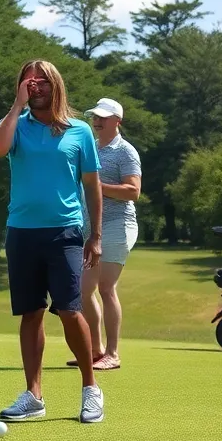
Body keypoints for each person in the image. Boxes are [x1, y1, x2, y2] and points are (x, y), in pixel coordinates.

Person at [0, 60, 106, 424]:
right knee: (31, 313)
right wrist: (16, 107)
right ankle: (33, 395)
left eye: (42, 82)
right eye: (28, 81)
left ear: (56, 86)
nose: (35, 86)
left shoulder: (80, 131)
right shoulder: (15, 126)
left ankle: (90, 388)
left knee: (70, 309)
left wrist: (96, 236)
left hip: (65, 232)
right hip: (22, 232)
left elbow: (92, 185)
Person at [70, 98, 141, 371]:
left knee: (106, 288)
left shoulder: (125, 151)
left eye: (102, 117)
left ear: (117, 121)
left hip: (117, 225)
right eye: (95, 117)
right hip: (90, 229)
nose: (96, 122)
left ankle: (113, 353)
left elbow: (133, 191)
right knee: (83, 291)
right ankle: (96, 350)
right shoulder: (91, 149)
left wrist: (96, 185)